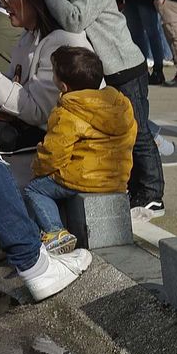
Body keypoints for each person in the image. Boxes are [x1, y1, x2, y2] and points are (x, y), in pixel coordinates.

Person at [11, 0, 164, 219]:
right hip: (105, 69)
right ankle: (132, 187)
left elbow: (74, 20)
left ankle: (152, 194)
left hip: (123, 66)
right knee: (116, 132)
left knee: (137, 131)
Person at [21, 46, 135, 255]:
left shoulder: (67, 111)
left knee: (34, 189)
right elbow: (131, 137)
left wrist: (37, 167)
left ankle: (55, 232)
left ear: (63, 86)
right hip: (117, 180)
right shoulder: (121, 105)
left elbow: (54, 154)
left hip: (81, 179)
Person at [0, 0, 92, 152]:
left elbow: (38, 113)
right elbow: (15, 82)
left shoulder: (64, 43)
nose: (4, 4)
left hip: (65, 146)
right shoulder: (29, 35)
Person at [0, 146, 92, 302]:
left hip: (79, 175)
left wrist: (41, 167)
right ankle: (34, 258)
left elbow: (56, 148)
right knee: (32, 187)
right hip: (109, 177)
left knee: (34, 188)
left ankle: (52, 233)